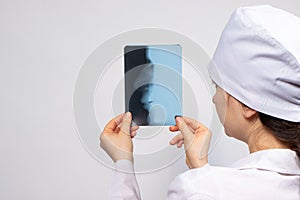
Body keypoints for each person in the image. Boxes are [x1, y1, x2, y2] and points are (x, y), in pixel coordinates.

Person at [100, 5, 300, 199]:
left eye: (217, 87)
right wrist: (200, 167)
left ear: (248, 106)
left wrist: (123, 162)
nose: (214, 99)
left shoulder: (198, 189)